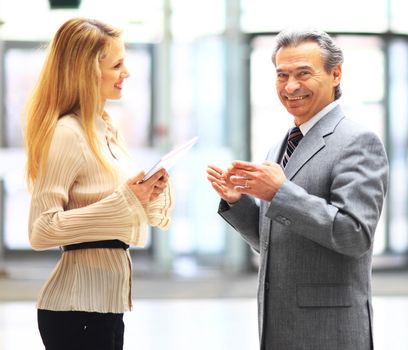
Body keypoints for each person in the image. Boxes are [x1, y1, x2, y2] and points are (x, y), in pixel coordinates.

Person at [207, 29, 388, 350]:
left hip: (329, 330)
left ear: (336, 74)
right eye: (282, 75)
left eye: (303, 73)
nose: (290, 86)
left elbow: (354, 235)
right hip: (278, 324)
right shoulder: (281, 144)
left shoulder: (357, 141)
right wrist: (239, 203)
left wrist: (280, 193)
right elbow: (273, 243)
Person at [24, 18, 174, 350]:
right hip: (76, 310)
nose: (127, 73)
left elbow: (122, 209)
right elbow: (41, 230)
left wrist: (146, 195)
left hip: (105, 306)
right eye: (117, 64)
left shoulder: (105, 129)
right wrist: (126, 201)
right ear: (88, 71)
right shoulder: (68, 133)